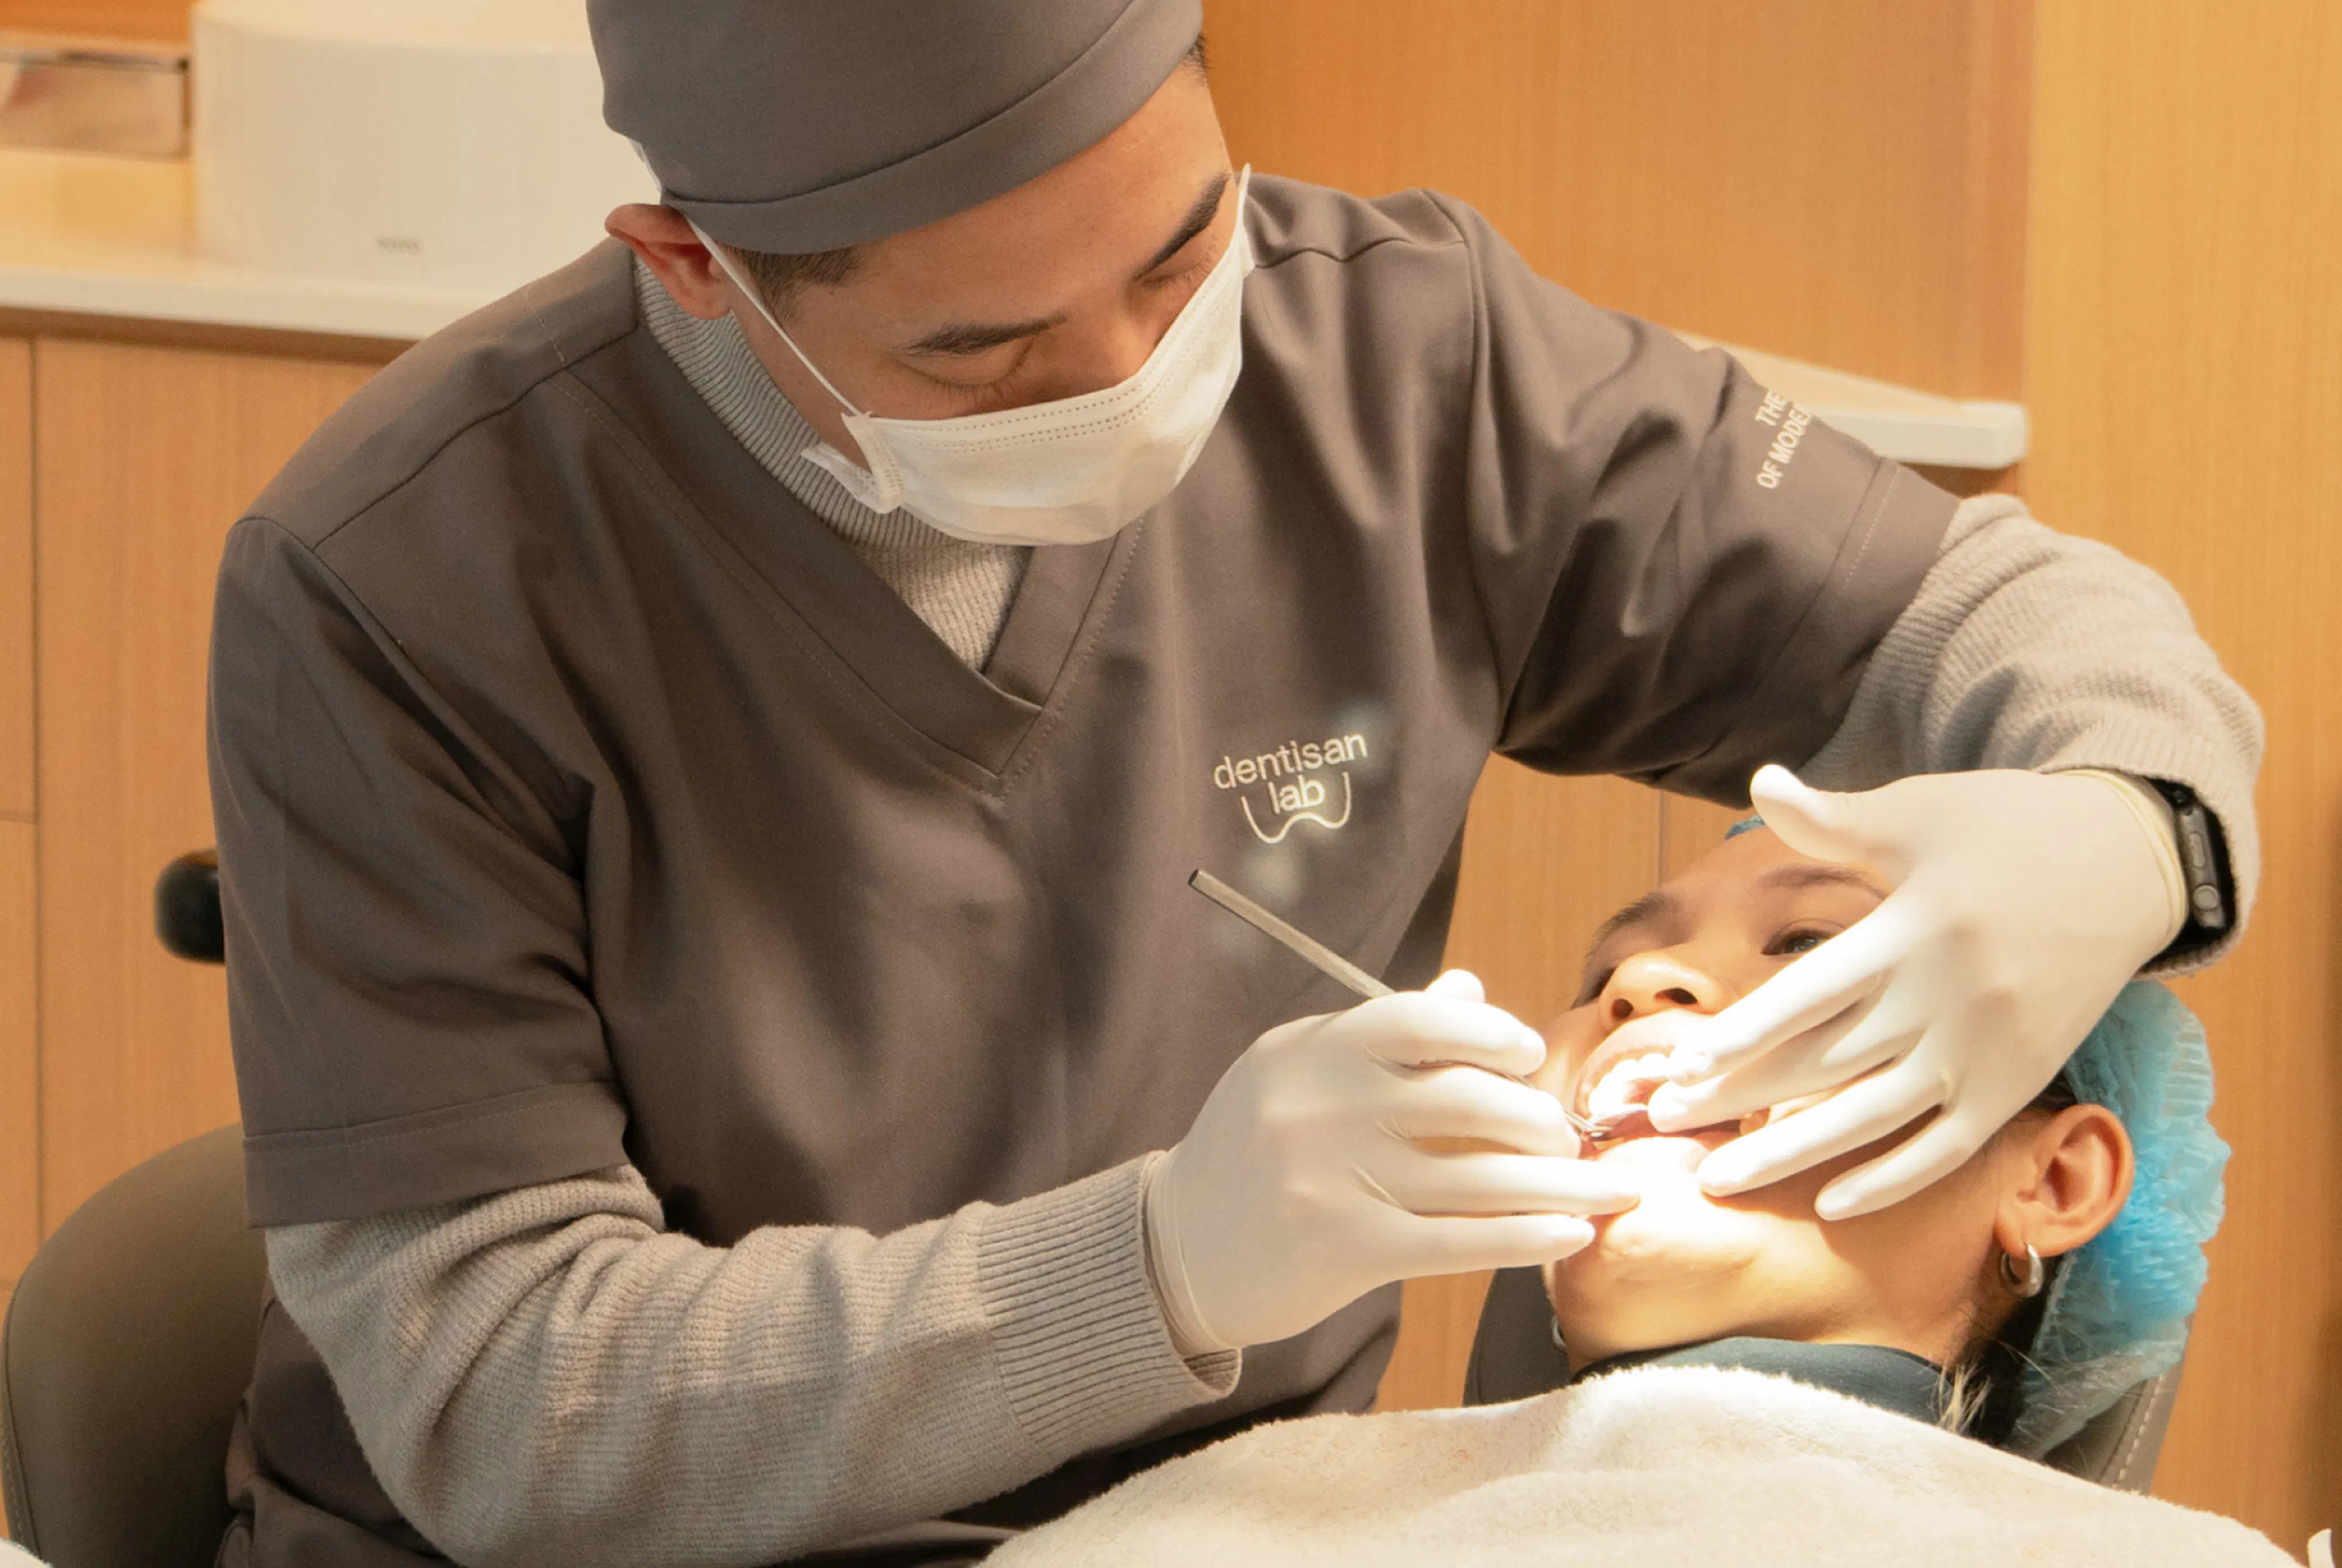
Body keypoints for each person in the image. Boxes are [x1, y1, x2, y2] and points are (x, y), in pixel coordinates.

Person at [206, 3, 2260, 1564]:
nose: (1136, 382)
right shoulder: (407, 578)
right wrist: (1156, 1267)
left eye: (1185, 256)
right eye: (989, 356)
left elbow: (1991, 610)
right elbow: (495, 1397)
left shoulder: (1407, 364)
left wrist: (2123, 822)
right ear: (693, 267)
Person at [976, 824, 2291, 1567]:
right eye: (1607, 966)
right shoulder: (1232, 1522)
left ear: (2052, 1178)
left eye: (1810, 945)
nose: (1639, 986)